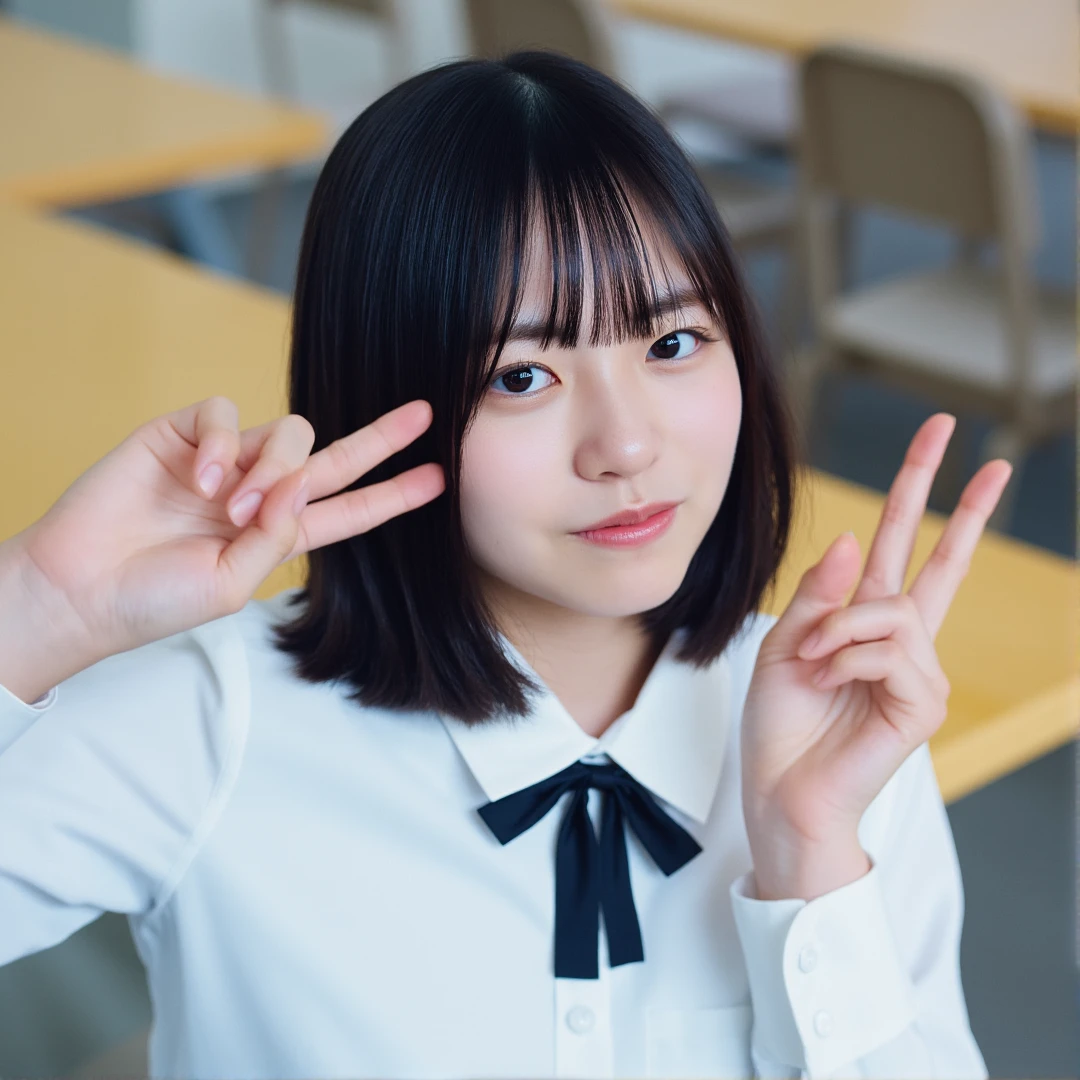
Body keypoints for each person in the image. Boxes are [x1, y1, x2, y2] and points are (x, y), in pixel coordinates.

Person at [0, 51, 1007, 1080]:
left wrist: (810, 856)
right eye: (524, 375)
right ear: (383, 395)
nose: (625, 446)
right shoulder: (214, 722)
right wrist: (31, 609)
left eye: (671, 343)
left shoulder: (840, 725)